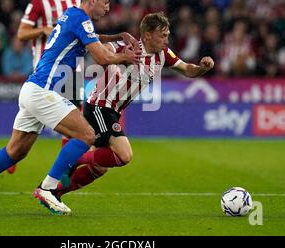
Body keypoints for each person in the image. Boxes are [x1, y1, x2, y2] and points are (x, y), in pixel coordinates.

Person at [0, 0, 142, 215]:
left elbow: (93, 40)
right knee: (86, 134)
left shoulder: (72, 16)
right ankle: (48, 188)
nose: (107, 7)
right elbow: (102, 58)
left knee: (15, 151)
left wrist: (117, 37)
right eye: (105, 2)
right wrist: (126, 58)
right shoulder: (80, 19)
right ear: (92, 0)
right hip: (44, 90)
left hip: (32, 89)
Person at [52, 12, 214, 200]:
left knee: (101, 167)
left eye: (167, 35)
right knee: (124, 154)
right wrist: (116, 51)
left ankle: (56, 192)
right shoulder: (128, 47)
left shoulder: (164, 54)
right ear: (147, 35)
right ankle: (73, 159)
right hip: (100, 106)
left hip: (113, 111)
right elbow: (99, 49)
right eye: (162, 35)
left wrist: (203, 68)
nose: (166, 39)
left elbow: (188, 70)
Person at [6, 0, 79, 174]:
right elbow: (21, 33)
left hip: (72, 71)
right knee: (29, 122)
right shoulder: (39, 2)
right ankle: (12, 154)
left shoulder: (78, 2)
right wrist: (43, 30)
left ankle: (64, 172)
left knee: (75, 120)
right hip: (44, 72)